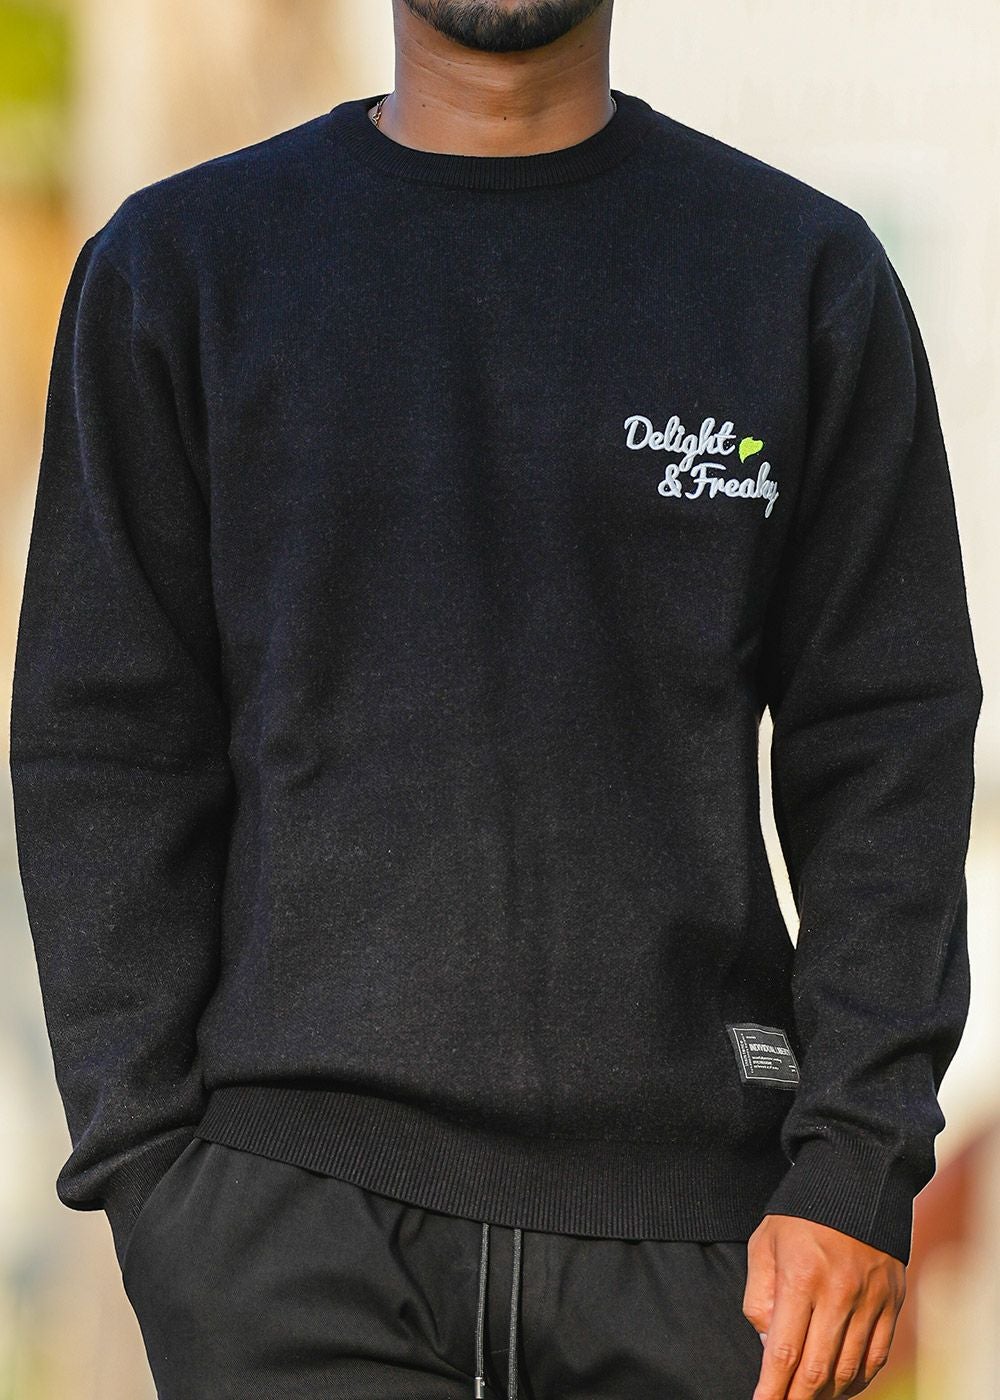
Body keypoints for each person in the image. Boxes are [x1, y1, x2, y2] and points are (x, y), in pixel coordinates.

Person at [10, 1, 982, 1397]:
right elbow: (102, 742)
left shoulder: (796, 276)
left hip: (706, 1265)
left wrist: (855, 1163)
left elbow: (889, 742)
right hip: (288, 1238)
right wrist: (152, 1173)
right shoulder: (183, 271)